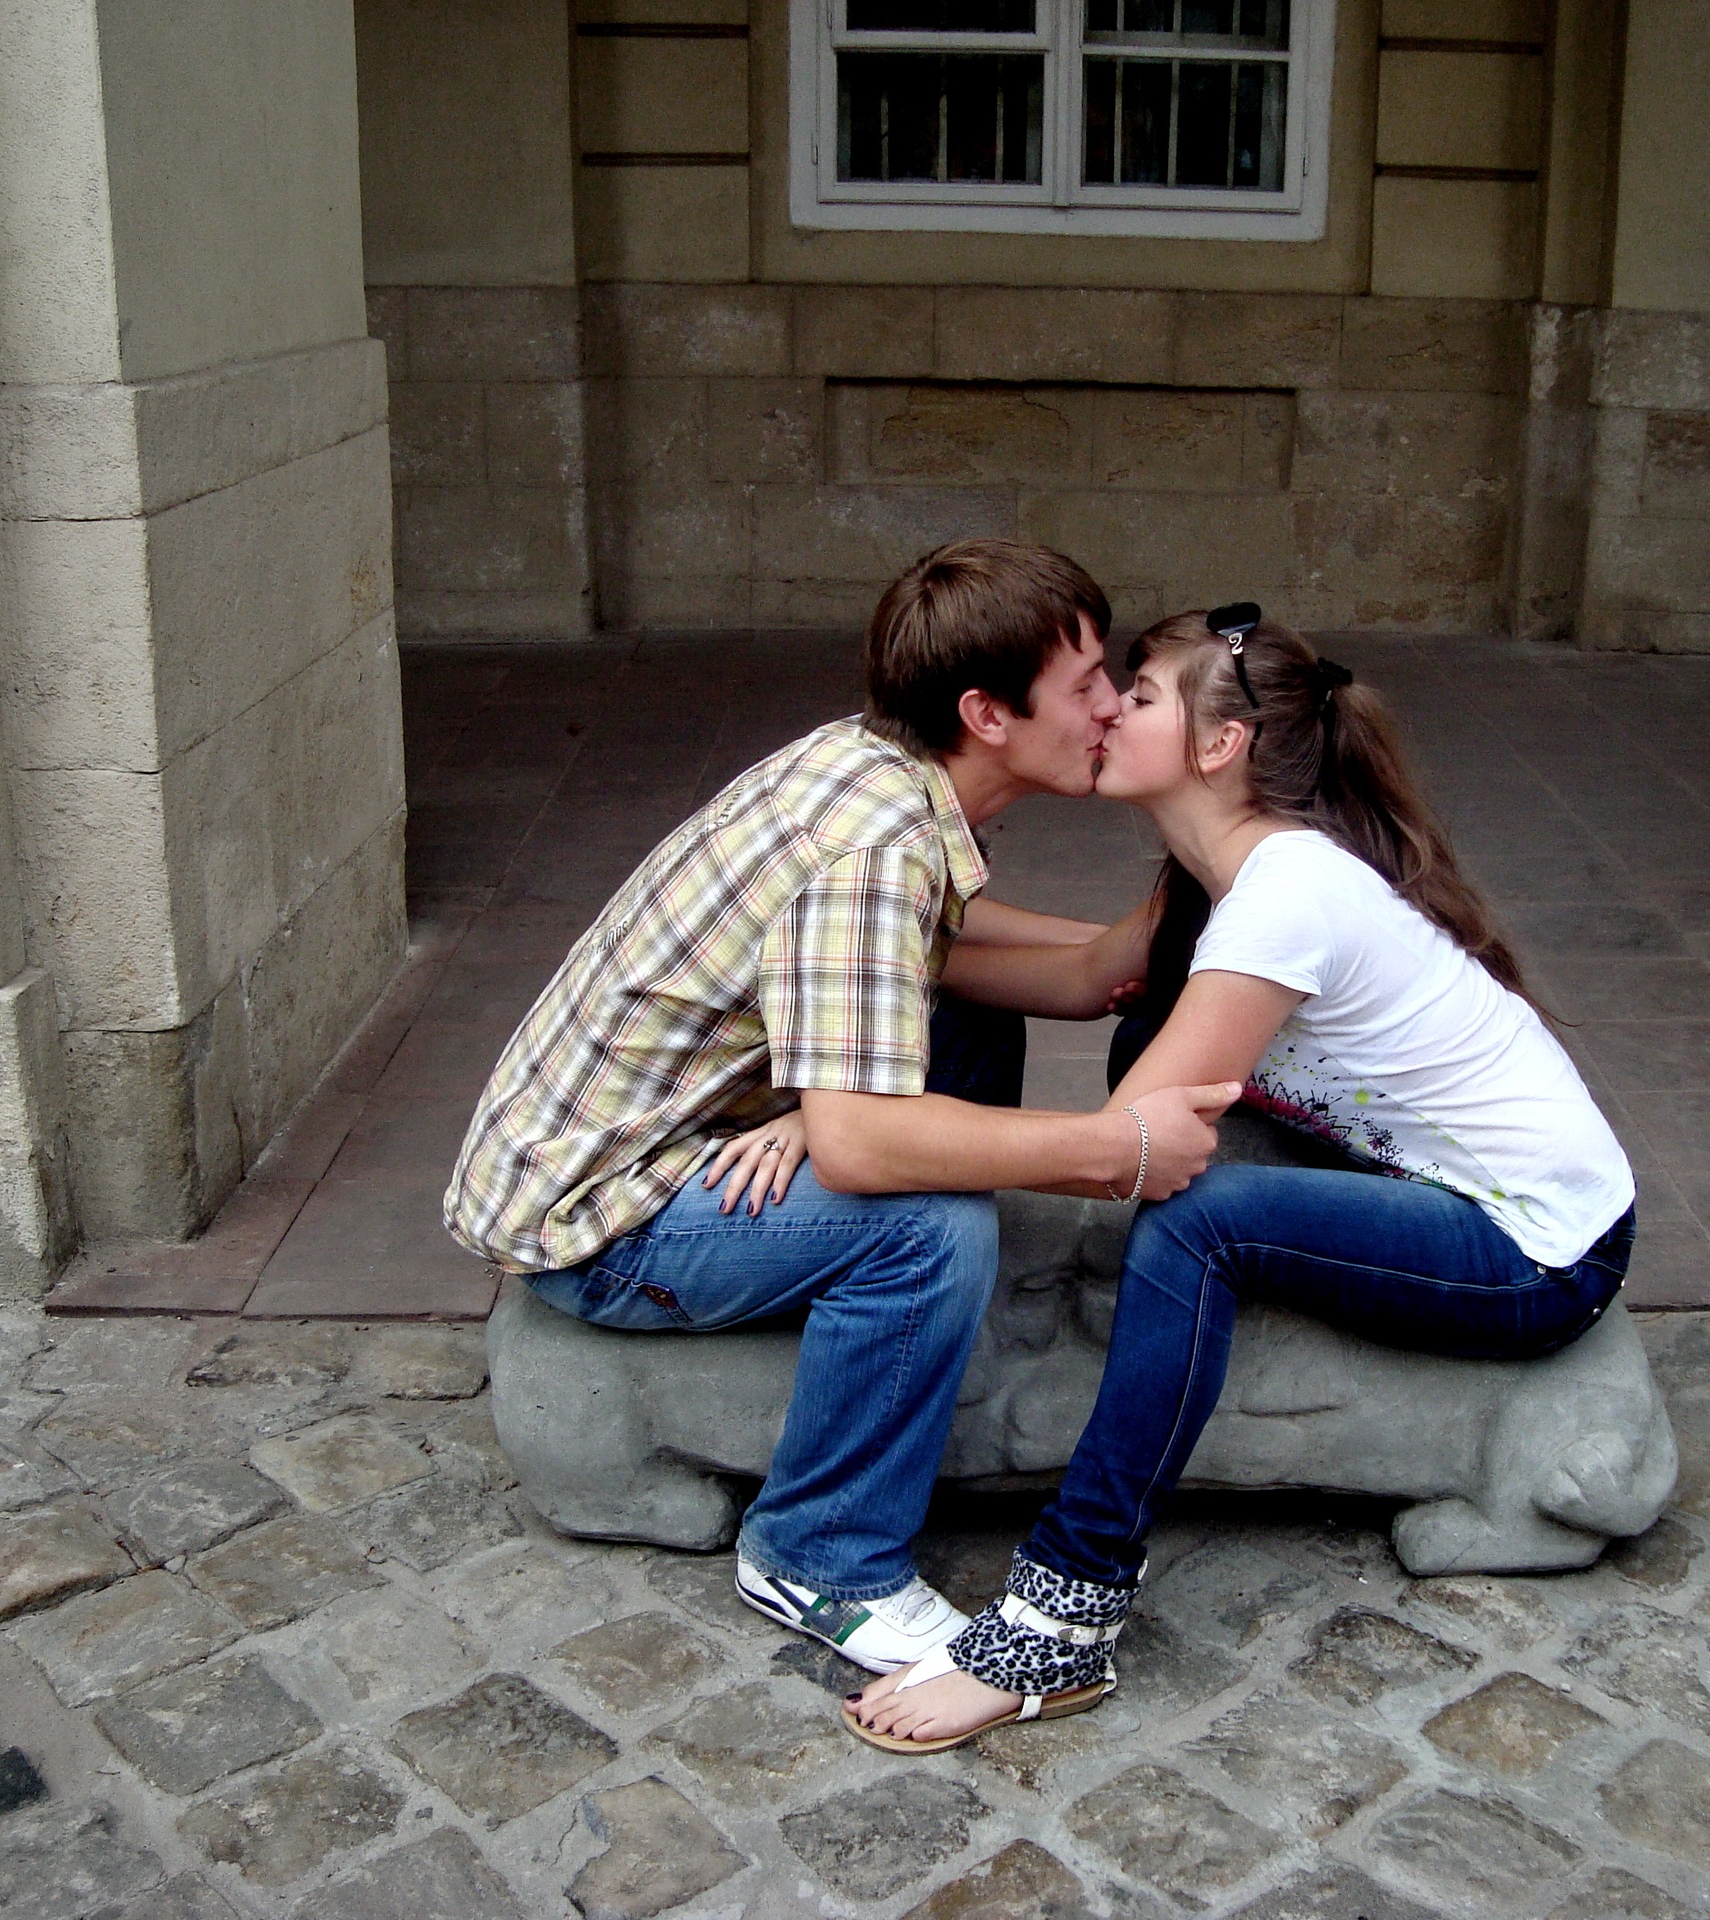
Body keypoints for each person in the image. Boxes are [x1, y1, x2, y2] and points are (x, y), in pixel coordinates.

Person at [842, 606, 1638, 1750]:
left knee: (1199, 1221)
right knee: (1158, 1070)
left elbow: (1119, 1149)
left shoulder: (1283, 897)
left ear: (1219, 746)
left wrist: (878, 1141)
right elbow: (1075, 982)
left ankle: (1065, 1614)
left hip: (1535, 1251)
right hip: (1445, 1186)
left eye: (1139, 695)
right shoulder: (1216, 876)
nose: (1107, 709)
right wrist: (848, 992)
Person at [442, 541, 1240, 1676]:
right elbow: (865, 1149)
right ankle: (820, 1553)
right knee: (930, 1229)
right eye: (1084, 685)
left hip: (658, 1133)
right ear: (987, 715)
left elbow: (1062, 974)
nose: (1111, 704)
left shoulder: (880, 764)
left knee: (968, 1028)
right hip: (601, 1220)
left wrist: (1191, 860)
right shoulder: (872, 850)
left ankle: (907, 1346)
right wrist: (1115, 1150)